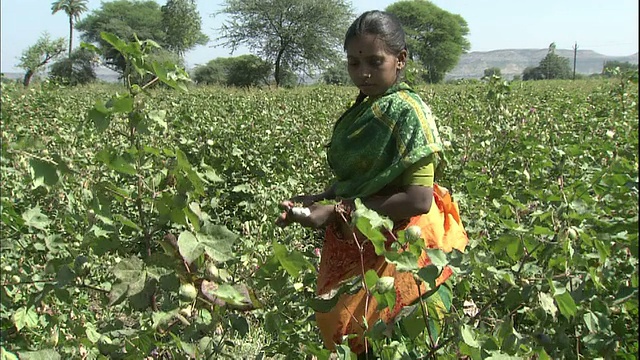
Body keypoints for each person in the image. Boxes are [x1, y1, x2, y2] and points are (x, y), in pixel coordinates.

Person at [276, 10, 469, 355]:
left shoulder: (409, 111)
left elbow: (420, 199)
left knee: (396, 338)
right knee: (348, 333)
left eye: (374, 62)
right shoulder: (367, 106)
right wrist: (318, 199)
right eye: (353, 63)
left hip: (404, 244)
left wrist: (339, 210)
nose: (362, 73)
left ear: (401, 60)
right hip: (361, 238)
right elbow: (357, 181)